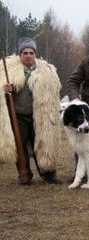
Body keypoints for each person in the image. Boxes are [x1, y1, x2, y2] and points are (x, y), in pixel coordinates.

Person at [0, 37, 62, 184]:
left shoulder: (46, 71)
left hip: (39, 116)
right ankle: (25, 173)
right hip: (19, 115)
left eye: (31, 52)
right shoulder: (9, 71)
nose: (28, 55)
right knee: (20, 144)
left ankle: (48, 174)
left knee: (43, 143)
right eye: (25, 53)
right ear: (20, 55)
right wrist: (6, 89)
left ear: (35, 54)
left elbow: (53, 91)